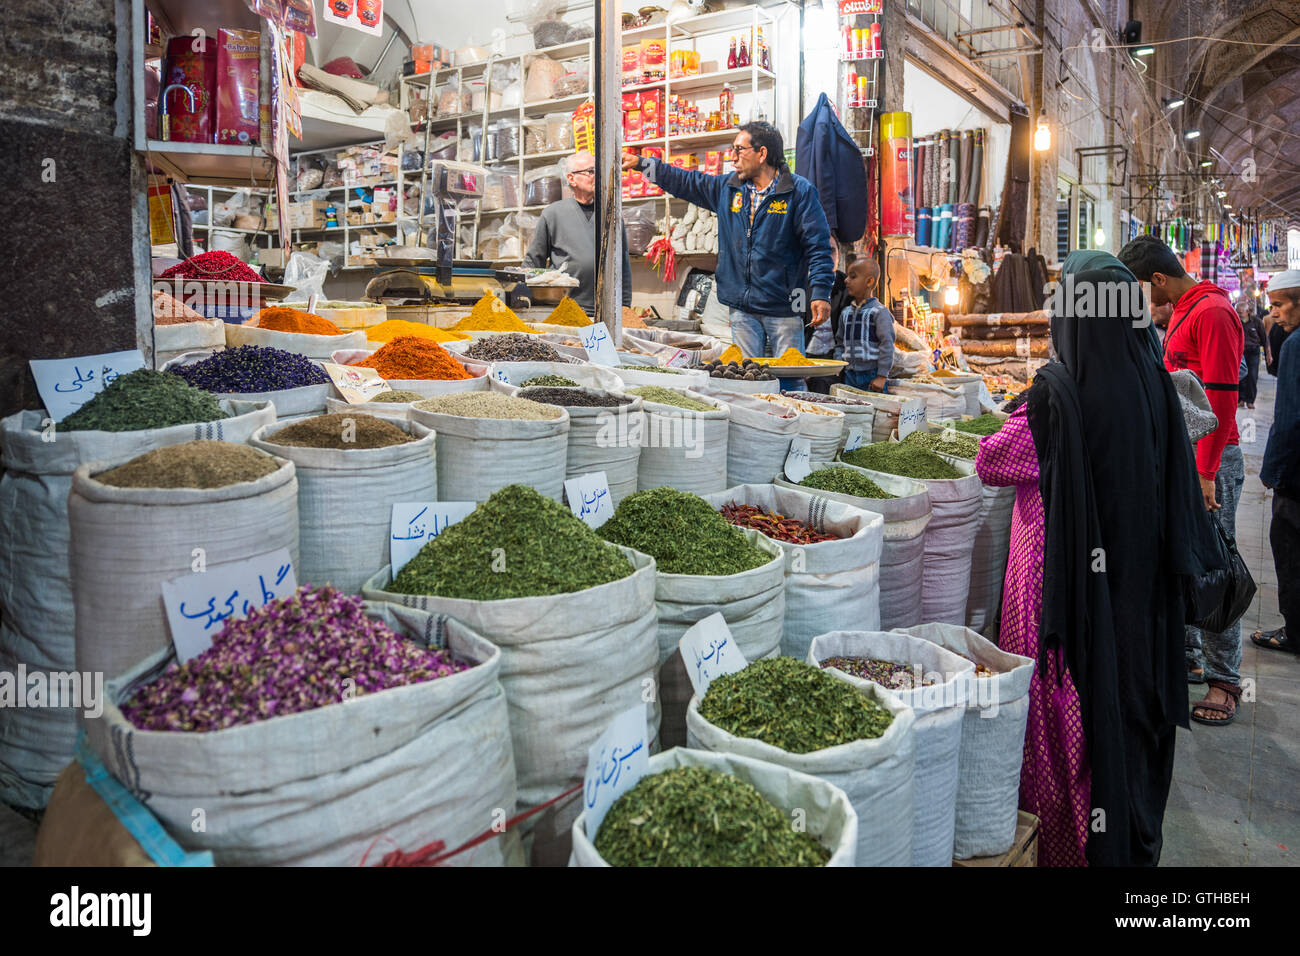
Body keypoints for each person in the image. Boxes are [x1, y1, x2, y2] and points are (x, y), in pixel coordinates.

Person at [980, 249, 1223, 866]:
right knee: (1132, 717)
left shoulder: (1057, 397)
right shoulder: (1154, 384)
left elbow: (990, 462)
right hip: (1142, 604)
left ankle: (1074, 850)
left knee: (1074, 725)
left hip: (1073, 602)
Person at [1118, 235, 1245, 722]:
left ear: (1157, 280)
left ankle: (1225, 680)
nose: (1146, 303)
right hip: (1186, 460)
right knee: (1189, 556)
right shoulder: (1187, 311)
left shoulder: (1211, 312)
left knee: (1217, 564)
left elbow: (1222, 395)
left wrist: (1207, 472)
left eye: (1143, 291)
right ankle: (1191, 658)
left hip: (1209, 462)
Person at [622, 122, 834, 390]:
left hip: (785, 305)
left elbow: (818, 246)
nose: (732, 157)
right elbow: (684, 181)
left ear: (762, 153)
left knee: (790, 380)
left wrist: (820, 292)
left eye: (739, 149)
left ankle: (793, 427)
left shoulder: (799, 192)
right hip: (742, 307)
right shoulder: (728, 189)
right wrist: (643, 164)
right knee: (747, 379)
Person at [523, 151, 632, 316]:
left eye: (597, 171)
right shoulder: (553, 214)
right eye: (590, 171)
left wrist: (625, 308)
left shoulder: (611, 215)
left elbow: (623, 264)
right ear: (571, 178)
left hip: (604, 312)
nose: (596, 176)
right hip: (564, 311)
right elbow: (532, 264)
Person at [1255, 269, 1300, 654]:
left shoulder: (1296, 345)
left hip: (1296, 475)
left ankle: (1295, 631)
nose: (1276, 315)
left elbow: (1289, 415)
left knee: (1288, 548)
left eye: (1281, 306)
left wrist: (1272, 471)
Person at [835, 258, 893, 393]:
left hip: (872, 376)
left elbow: (887, 345)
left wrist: (882, 376)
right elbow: (839, 343)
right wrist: (838, 363)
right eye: (847, 276)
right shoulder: (845, 313)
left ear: (869, 281)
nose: (846, 280)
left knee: (873, 411)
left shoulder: (879, 312)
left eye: (853, 277)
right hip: (849, 375)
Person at [1236, 295, 1269, 409]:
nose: (1239, 315)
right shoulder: (1236, 322)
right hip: (1240, 352)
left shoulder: (1256, 321)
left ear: (1247, 311)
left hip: (1253, 352)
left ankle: (1250, 400)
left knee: (1252, 376)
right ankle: (1240, 399)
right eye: (1237, 312)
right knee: (1241, 376)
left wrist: (1268, 354)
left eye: (1240, 312)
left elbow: (1264, 338)